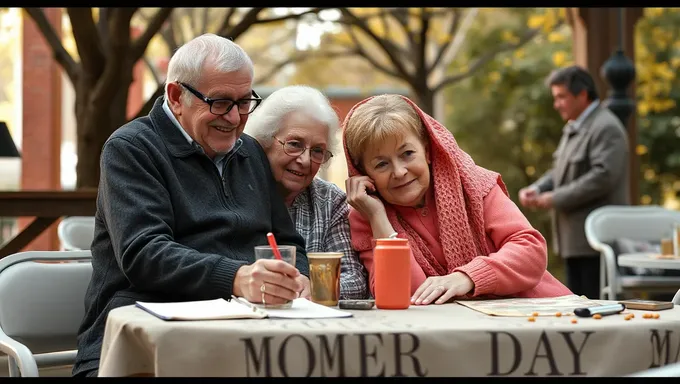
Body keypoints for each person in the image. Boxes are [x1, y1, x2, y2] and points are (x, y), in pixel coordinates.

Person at [72, 34, 309, 377]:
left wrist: (297, 275)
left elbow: (286, 241)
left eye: (244, 102)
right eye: (220, 102)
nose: (234, 118)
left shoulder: (251, 152)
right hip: (140, 344)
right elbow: (144, 254)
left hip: (244, 338)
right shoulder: (131, 148)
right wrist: (238, 278)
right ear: (176, 96)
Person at [343, 94, 572, 306]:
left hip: (543, 314)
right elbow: (404, 296)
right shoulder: (368, 216)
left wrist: (467, 277)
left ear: (428, 151)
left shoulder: (473, 183)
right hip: (455, 337)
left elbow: (530, 251)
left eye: (407, 154)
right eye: (381, 164)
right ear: (363, 173)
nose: (400, 171)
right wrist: (378, 219)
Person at [245, 85, 370, 299]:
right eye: (294, 144)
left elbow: (354, 281)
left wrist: (316, 289)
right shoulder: (236, 188)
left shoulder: (329, 201)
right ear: (264, 141)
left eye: (317, 151)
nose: (304, 160)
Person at [518, 66, 629, 300]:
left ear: (583, 95)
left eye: (561, 97)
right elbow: (558, 172)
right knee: (578, 310)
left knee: (595, 313)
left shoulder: (606, 127)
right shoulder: (574, 127)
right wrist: (537, 188)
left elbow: (603, 177)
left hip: (596, 244)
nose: (557, 104)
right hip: (574, 241)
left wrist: (554, 198)